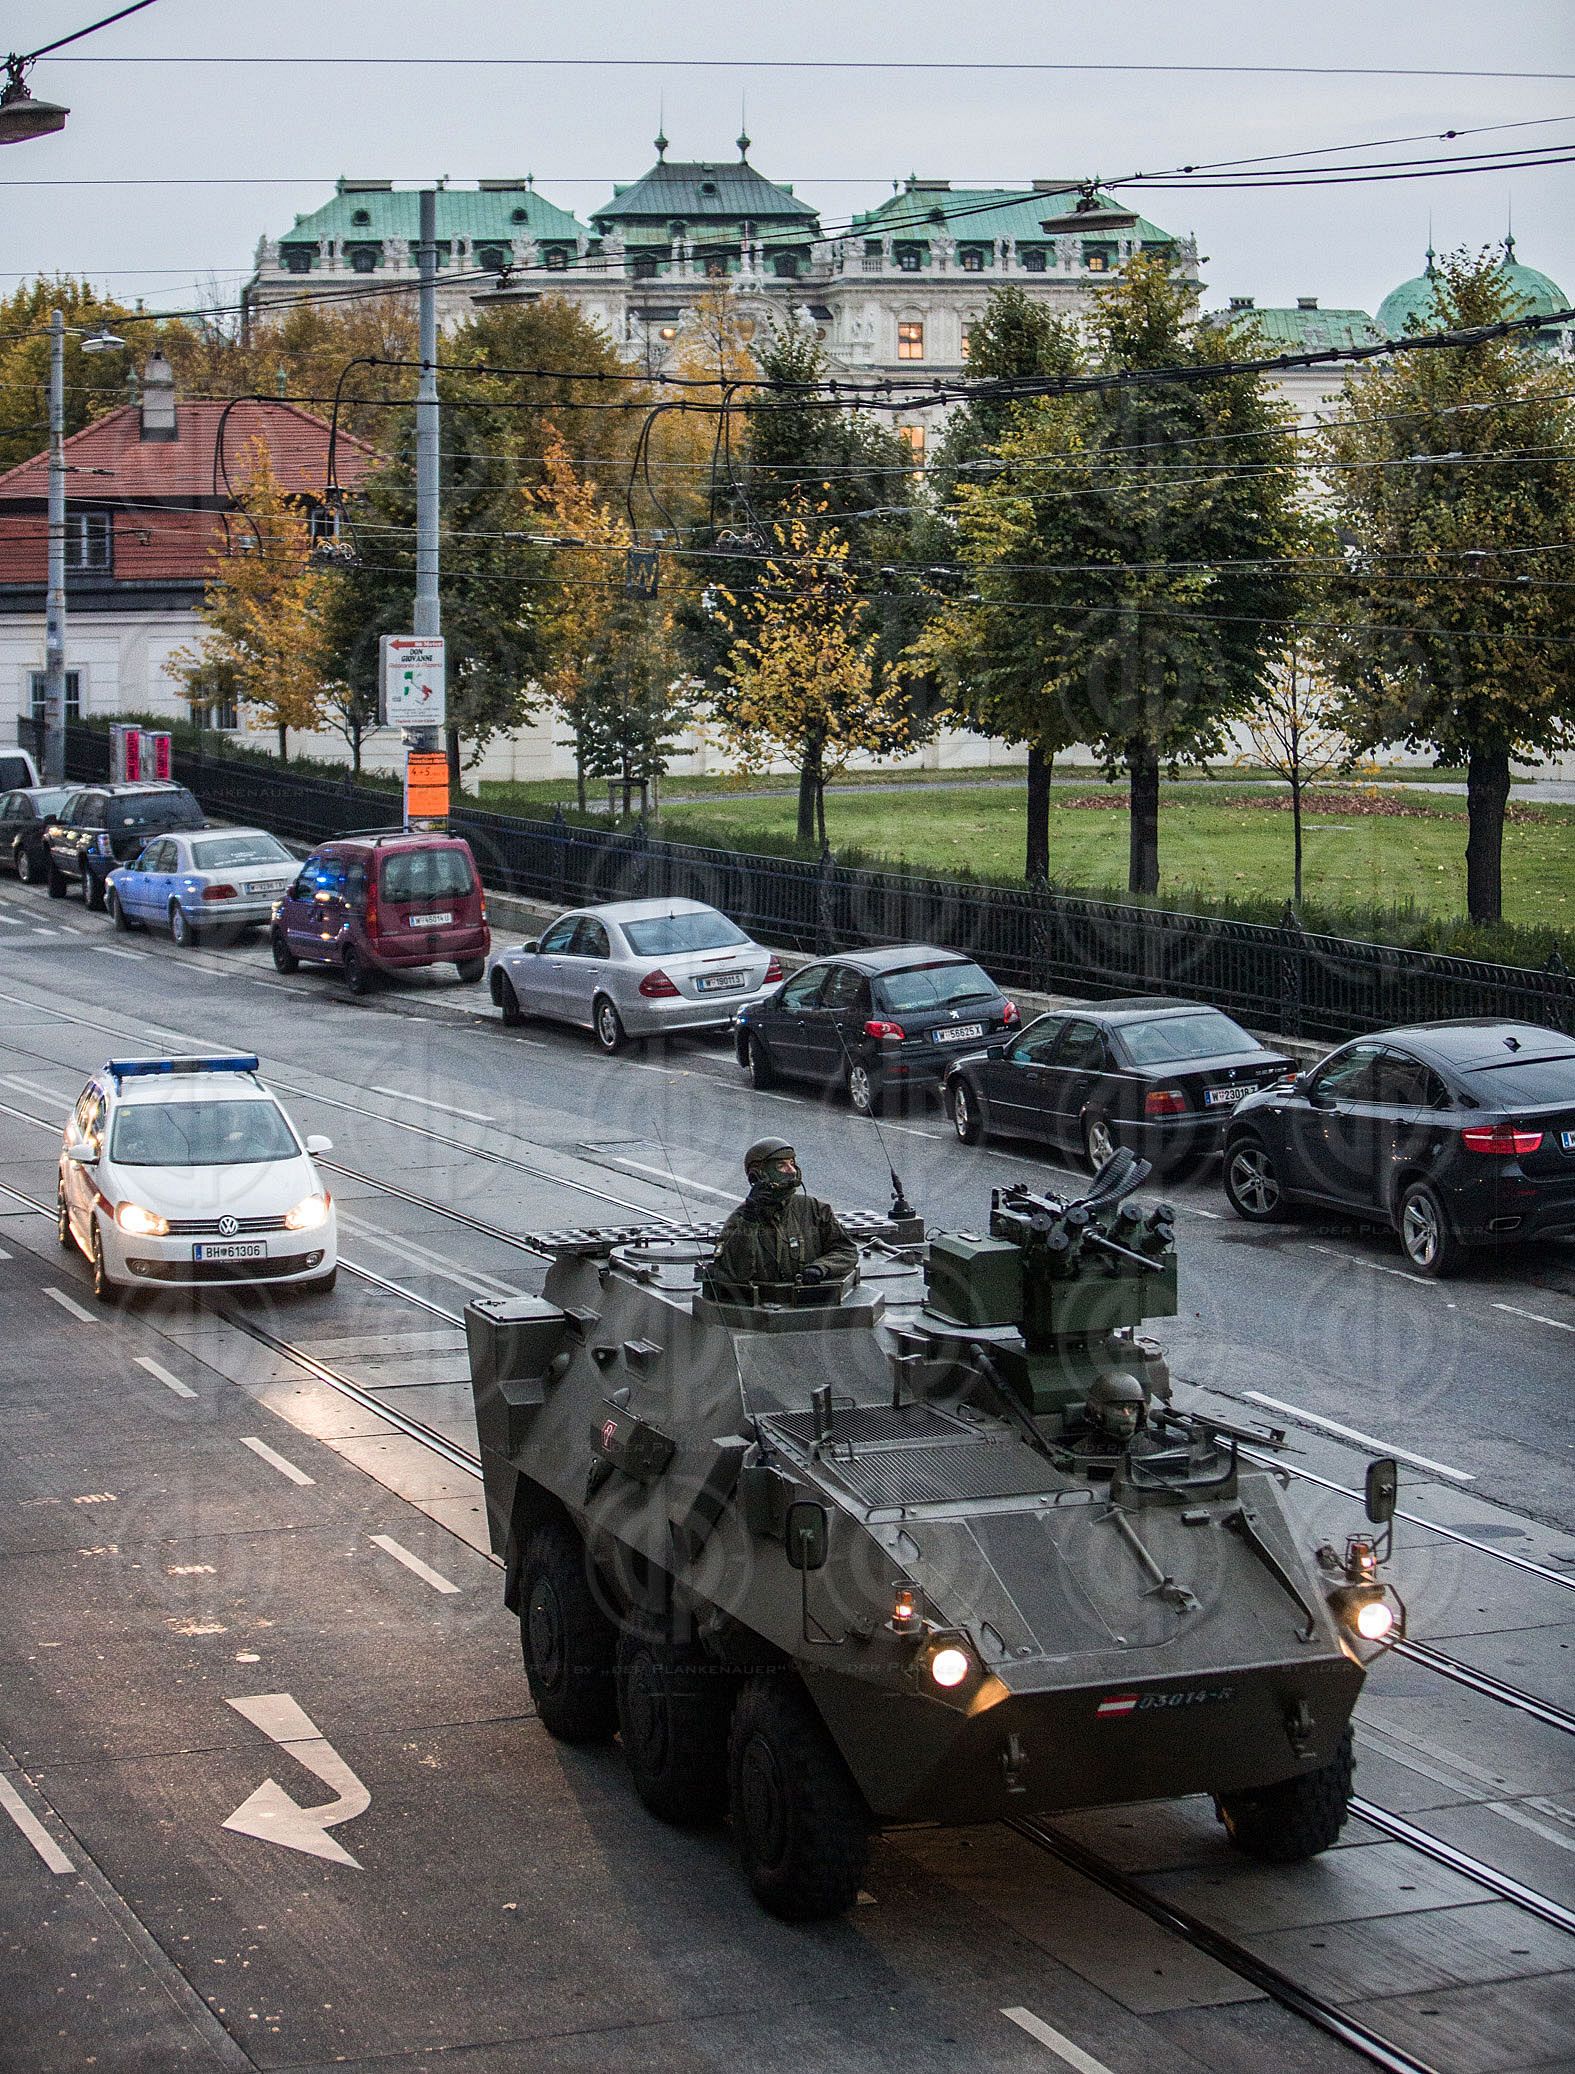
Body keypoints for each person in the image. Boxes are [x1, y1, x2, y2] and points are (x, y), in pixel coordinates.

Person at [709, 1138, 858, 1298]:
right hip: (761, 1313)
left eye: (792, 1163)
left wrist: (821, 1268)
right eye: (781, 1166)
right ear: (758, 1175)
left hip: (809, 1304)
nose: (792, 1171)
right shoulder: (740, 1220)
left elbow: (846, 1251)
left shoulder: (814, 1209)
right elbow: (733, 1272)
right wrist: (750, 1221)